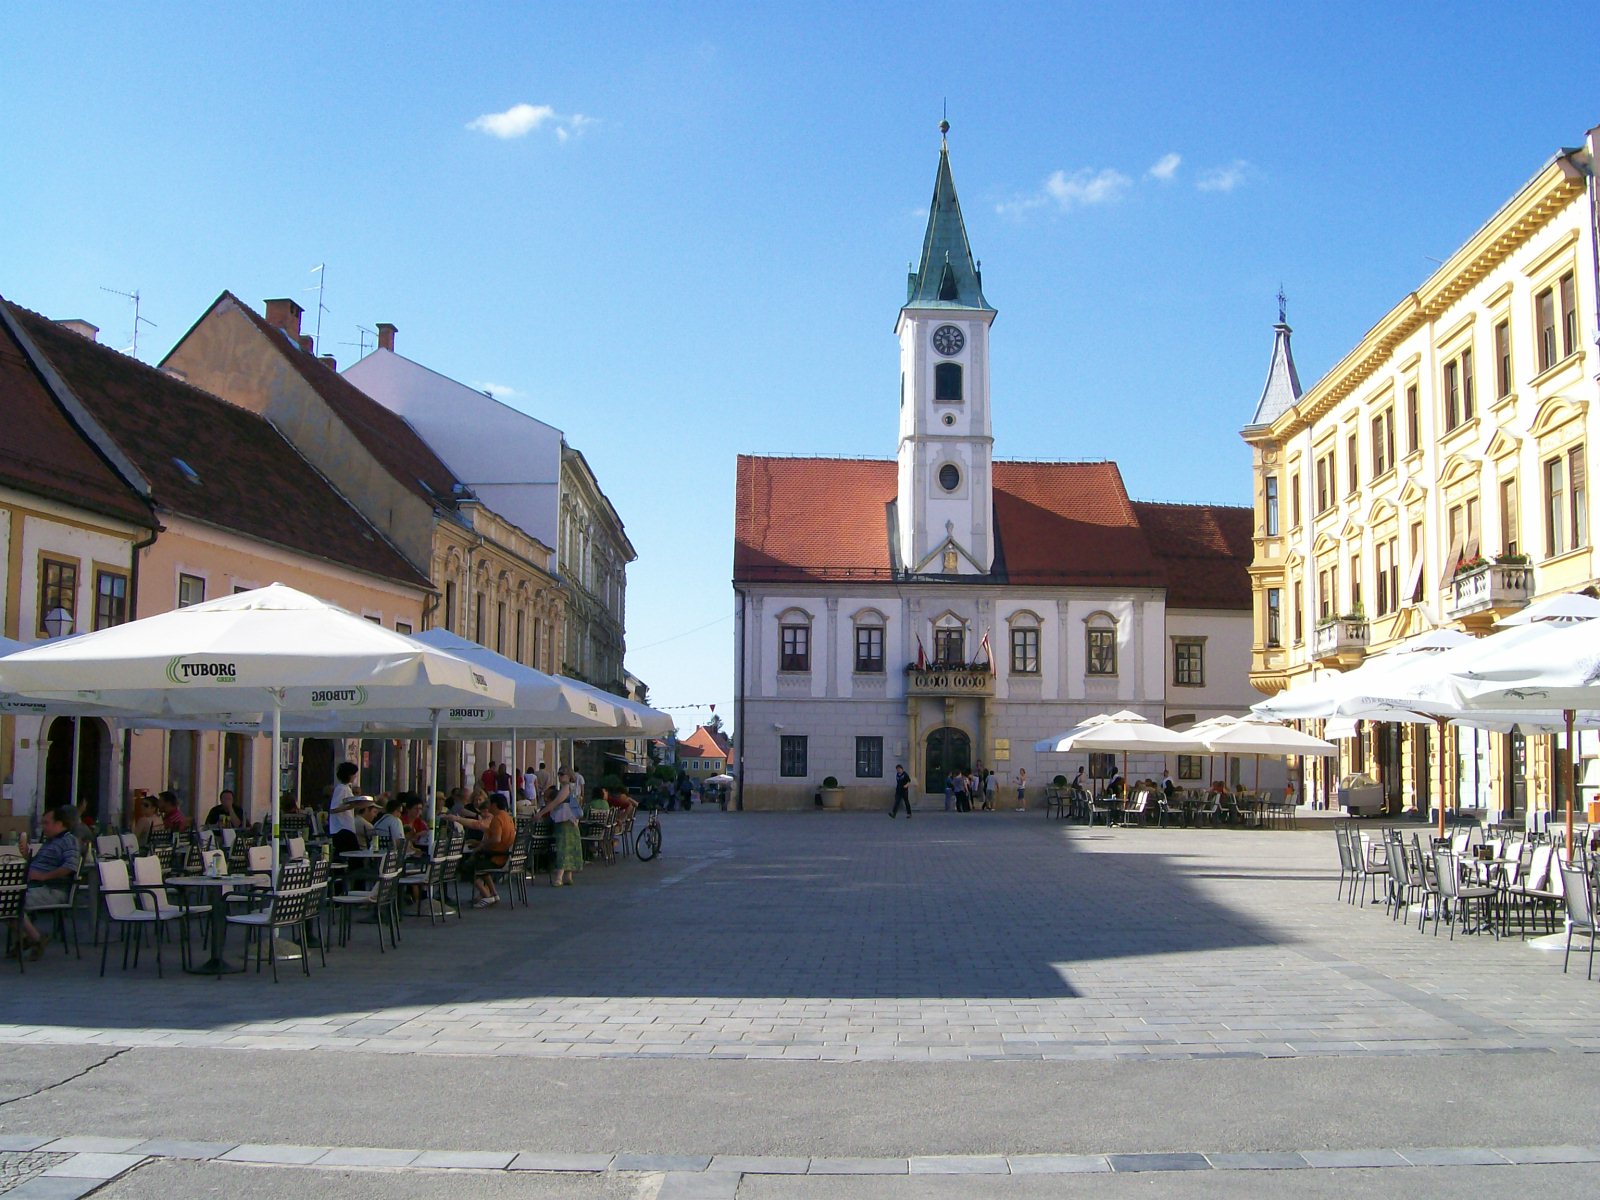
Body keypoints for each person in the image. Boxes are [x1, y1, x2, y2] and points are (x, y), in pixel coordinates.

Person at [15, 805, 79, 960]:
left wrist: (45, 876)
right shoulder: (50, 842)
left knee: (11, 903)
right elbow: (36, 866)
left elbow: (70, 866)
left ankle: (35, 939)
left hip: (53, 889)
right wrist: (26, 856)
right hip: (37, 886)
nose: (43, 827)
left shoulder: (68, 841)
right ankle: (30, 937)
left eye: (46, 823)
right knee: (6, 903)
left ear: (59, 823)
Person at [445, 794, 516, 907]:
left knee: (468, 867)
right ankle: (493, 893)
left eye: (489, 804)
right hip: (503, 855)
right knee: (479, 865)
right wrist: (479, 844)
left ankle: (486, 895)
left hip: (497, 857)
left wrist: (480, 847)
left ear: (494, 804)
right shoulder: (508, 817)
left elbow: (496, 839)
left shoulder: (497, 818)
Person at [538, 768, 584, 887]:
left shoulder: (566, 788)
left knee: (563, 847)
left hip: (564, 820)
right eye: (559, 774)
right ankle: (568, 876)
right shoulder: (575, 788)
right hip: (572, 820)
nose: (559, 776)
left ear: (569, 776)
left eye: (562, 774)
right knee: (570, 847)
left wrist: (541, 813)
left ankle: (559, 877)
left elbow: (556, 802)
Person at [327, 762, 365, 856]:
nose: (355, 776)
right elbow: (333, 809)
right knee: (354, 856)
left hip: (346, 827)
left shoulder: (346, 788)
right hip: (342, 829)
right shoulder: (342, 789)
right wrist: (351, 806)